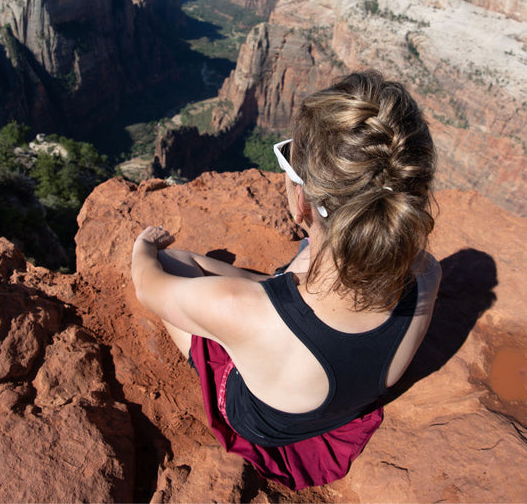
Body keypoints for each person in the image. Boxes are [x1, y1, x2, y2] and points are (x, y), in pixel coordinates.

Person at [131, 71, 441, 491]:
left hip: (262, 418)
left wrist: (144, 248)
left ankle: (276, 290)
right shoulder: (427, 275)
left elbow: (148, 286)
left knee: (175, 263)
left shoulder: (243, 311)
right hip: (344, 409)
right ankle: (285, 286)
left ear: (301, 202)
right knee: (308, 260)